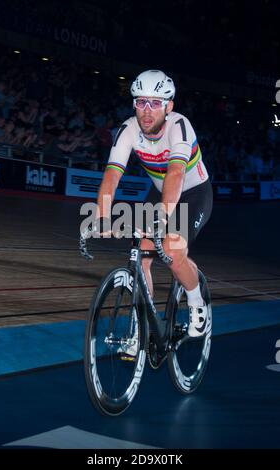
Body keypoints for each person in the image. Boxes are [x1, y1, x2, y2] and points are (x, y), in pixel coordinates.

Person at [89, 70, 213, 338]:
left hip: (194, 193)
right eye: (141, 102)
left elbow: (177, 173)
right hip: (160, 191)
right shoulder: (128, 129)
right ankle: (140, 328)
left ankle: (196, 302)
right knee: (141, 254)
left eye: (155, 103)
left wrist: (164, 217)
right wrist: (101, 214)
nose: (146, 111)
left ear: (169, 106)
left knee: (171, 251)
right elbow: (112, 174)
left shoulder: (180, 126)